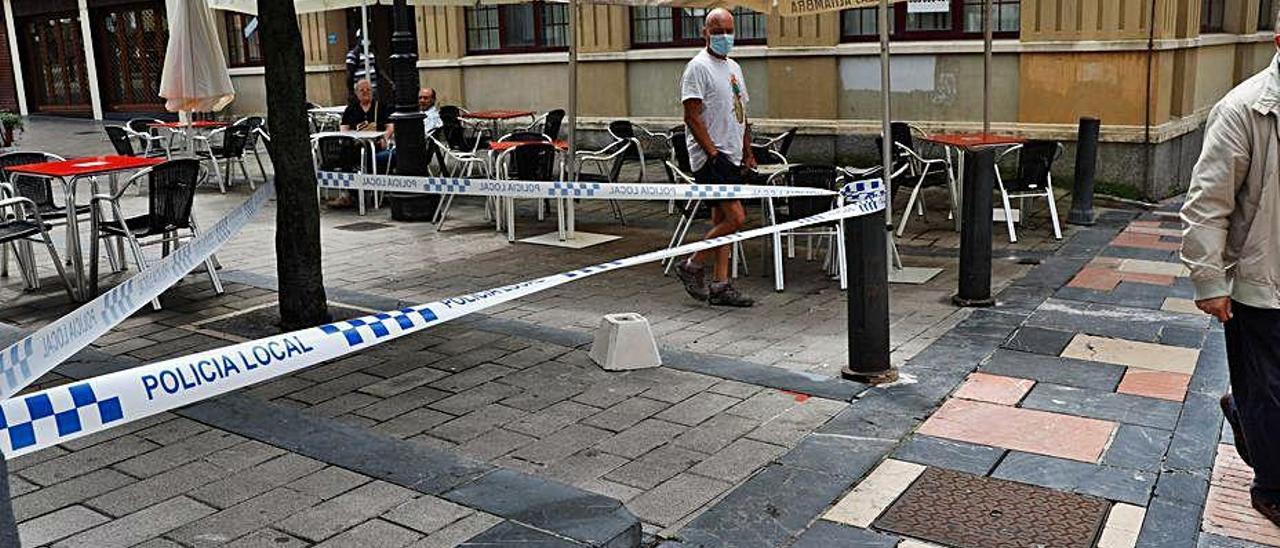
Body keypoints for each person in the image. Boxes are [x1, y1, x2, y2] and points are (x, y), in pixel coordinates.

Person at [1181, 7, 1280, 528]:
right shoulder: (1243, 109)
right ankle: (1271, 488)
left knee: (1267, 393)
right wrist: (1209, 280)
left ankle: (1244, 410)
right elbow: (1207, 203)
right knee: (1272, 391)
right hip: (1261, 284)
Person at [673, 8, 756, 308]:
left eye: (729, 30)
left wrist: (748, 151)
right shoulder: (698, 67)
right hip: (712, 157)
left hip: (732, 154)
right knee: (737, 218)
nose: (725, 36)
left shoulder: (734, 67)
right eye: (718, 30)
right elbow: (692, 116)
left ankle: (721, 284)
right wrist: (711, 153)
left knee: (723, 220)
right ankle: (692, 264)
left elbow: (742, 112)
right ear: (705, 32)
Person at [332, 79, 394, 208]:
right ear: (356, 93)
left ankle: (366, 191)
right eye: (362, 90)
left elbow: (390, 127)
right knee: (345, 153)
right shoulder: (351, 109)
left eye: (368, 90)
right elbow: (344, 129)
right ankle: (350, 193)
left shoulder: (381, 107)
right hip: (356, 145)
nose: (366, 92)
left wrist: (385, 138)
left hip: (375, 144)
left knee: (371, 157)